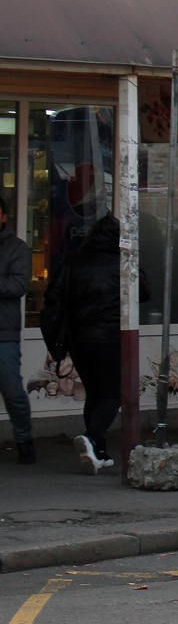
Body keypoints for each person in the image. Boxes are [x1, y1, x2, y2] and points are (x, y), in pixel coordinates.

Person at [44, 215, 123, 474]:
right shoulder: (121, 263)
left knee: (94, 393)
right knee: (112, 394)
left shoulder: (73, 262)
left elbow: (52, 297)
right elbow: (143, 291)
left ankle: (98, 452)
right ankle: (92, 437)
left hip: (79, 339)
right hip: (109, 338)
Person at [0, 197, 34, 465]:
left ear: (3, 217)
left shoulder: (17, 248)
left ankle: (24, 440)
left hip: (4, 332)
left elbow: (18, 286)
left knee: (12, 391)